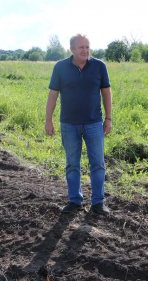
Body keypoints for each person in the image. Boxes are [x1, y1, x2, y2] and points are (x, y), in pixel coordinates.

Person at [45, 33, 112, 215]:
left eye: (87, 47)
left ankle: (98, 202)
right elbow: (53, 94)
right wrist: (48, 119)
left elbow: (106, 92)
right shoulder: (60, 67)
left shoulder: (99, 66)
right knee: (72, 164)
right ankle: (75, 200)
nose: (85, 50)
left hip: (94, 123)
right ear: (72, 49)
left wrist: (108, 118)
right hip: (69, 124)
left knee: (97, 163)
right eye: (81, 47)